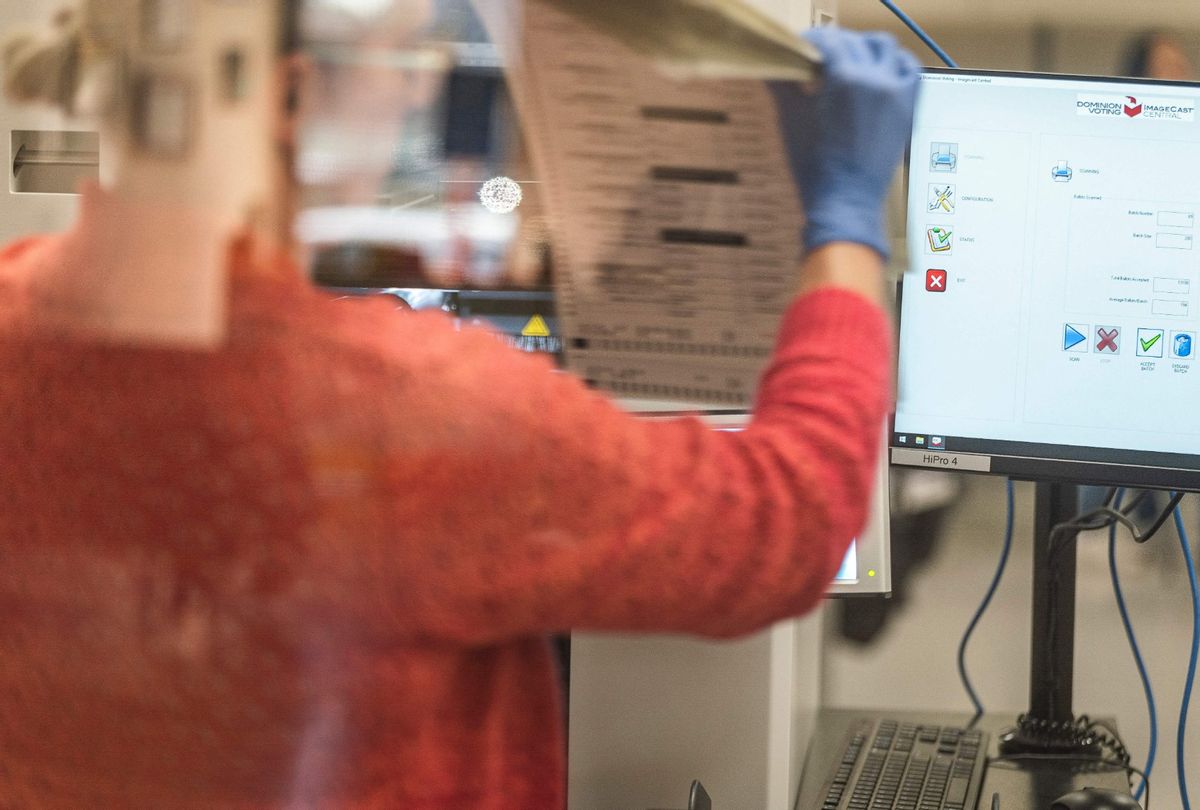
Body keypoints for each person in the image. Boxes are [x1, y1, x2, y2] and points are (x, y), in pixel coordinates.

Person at [0, 0, 918, 806]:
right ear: (285, 98)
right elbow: (783, 522)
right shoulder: (397, 414)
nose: (417, 92)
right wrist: (842, 223)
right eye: (404, 59)